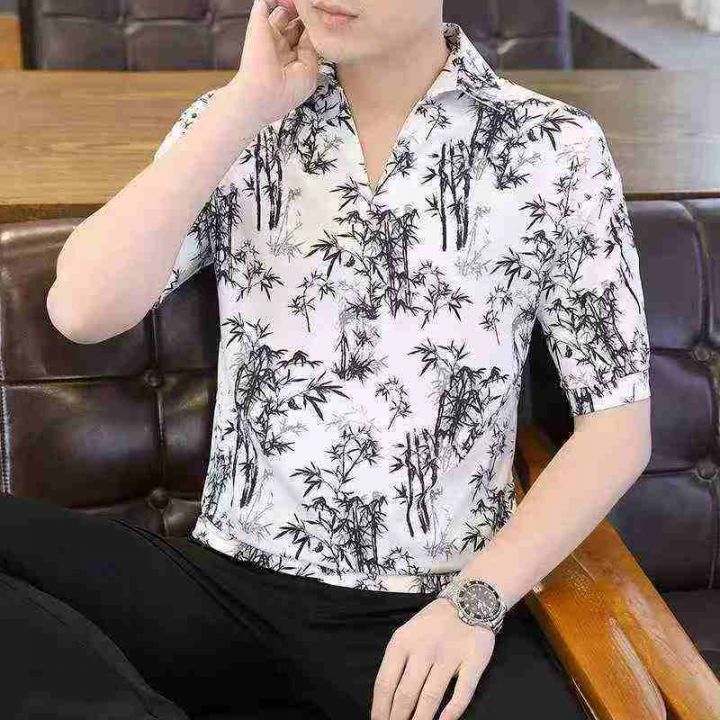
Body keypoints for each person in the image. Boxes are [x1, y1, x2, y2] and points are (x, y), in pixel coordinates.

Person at [16, 0, 652, 718]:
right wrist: (243, 105)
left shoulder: (555, 147)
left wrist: (476, 602)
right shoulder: (240, 123)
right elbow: (83, 310)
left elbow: (616, 428)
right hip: (226, 591)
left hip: (428, 612)